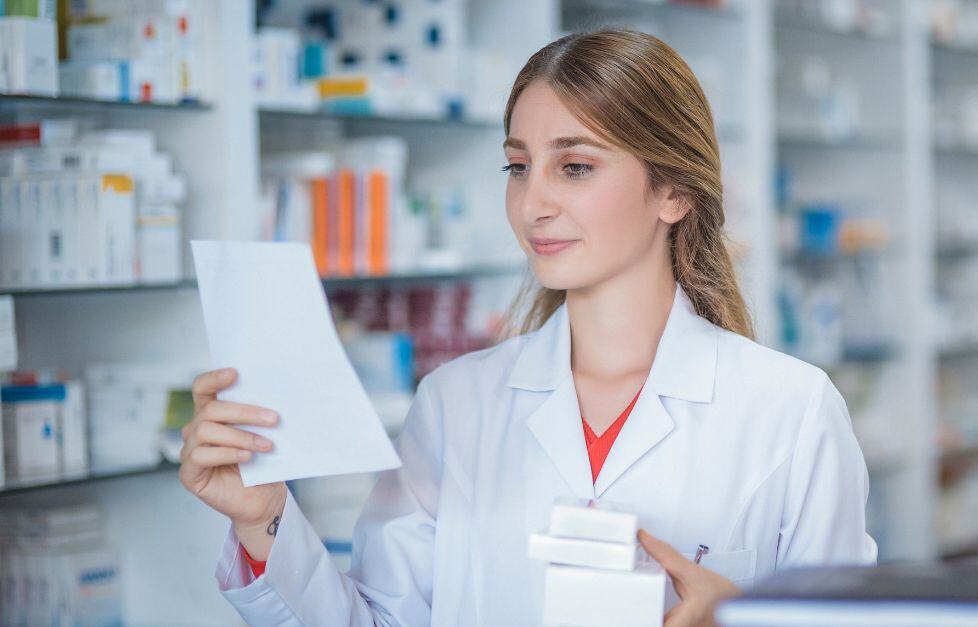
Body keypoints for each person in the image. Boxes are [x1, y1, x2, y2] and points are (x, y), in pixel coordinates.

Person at [180, 28, 877, 626]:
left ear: (674, 191)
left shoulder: (790, 410)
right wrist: (262, 516)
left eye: (574, 167)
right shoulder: (456, 403)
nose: (532, 201)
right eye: (518, 166)